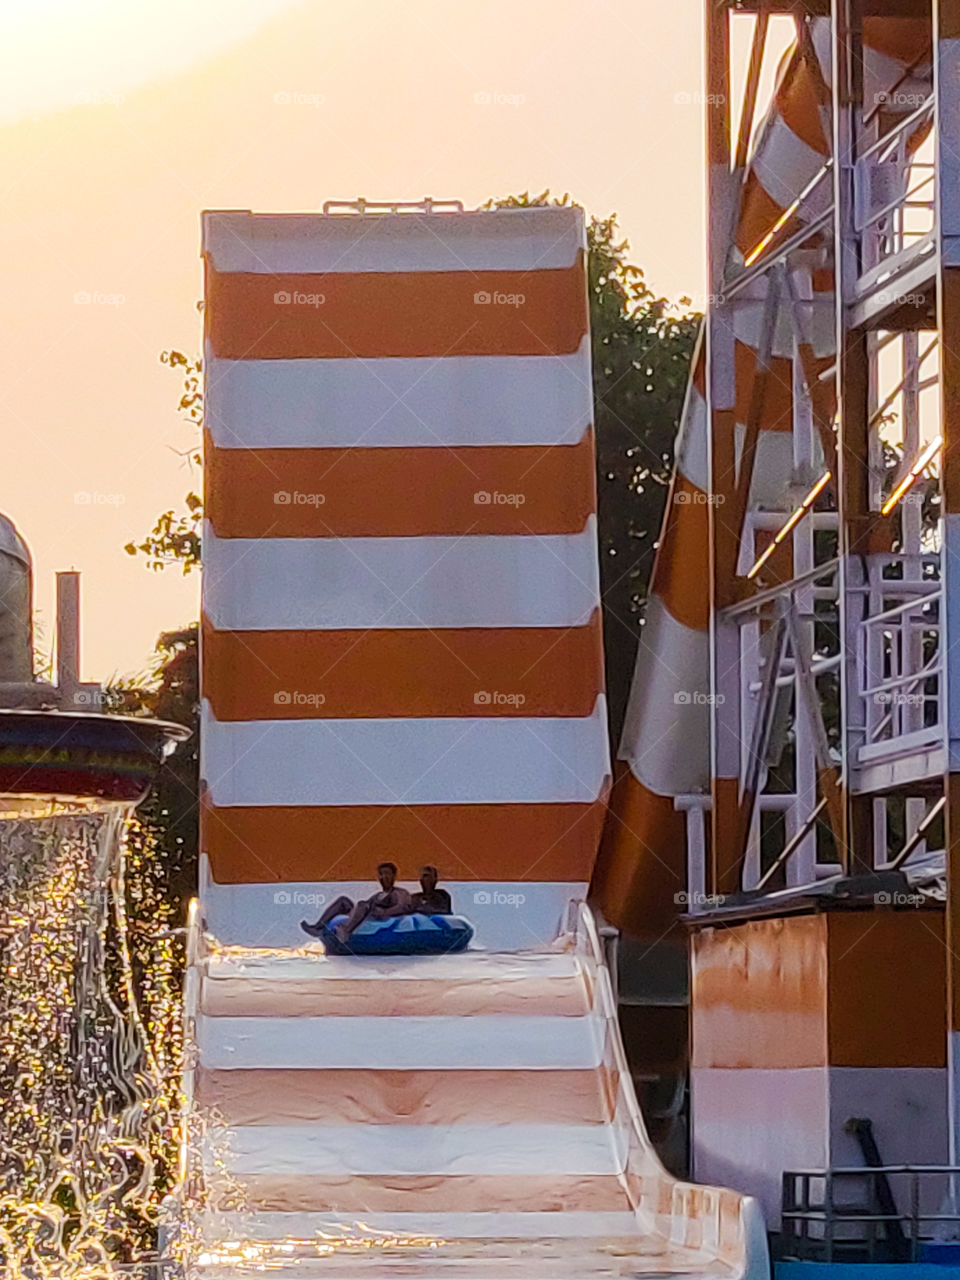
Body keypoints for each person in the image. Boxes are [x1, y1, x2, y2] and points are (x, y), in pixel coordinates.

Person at [301, 862, 412, 943]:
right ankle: (318, 927)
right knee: (343, 901)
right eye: (381, 874)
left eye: (387, 874)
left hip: (377, 916)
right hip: (365, 914)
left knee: (362, 904)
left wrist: (383, 912)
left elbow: (402, 907)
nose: (384, 877)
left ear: (394, 876)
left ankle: (347, 931)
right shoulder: (377, 895)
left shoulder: (399, 893)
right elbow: (367, 906)